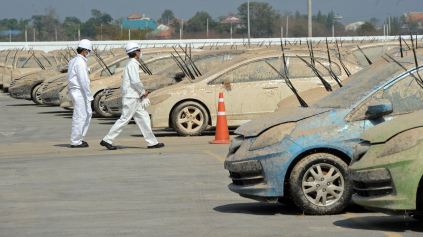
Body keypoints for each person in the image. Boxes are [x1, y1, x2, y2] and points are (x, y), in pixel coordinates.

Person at [100, 42, 164, 150]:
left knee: (144, 118)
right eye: (139, 50)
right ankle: (107, 140)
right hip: (131, 97)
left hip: (134, 97)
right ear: (136, 52)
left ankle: (152, 142)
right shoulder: (132, 64)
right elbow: (135, 82)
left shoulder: (130, 64)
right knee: (124, 119)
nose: (140, 53)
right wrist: (143, 92)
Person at [68, 39, 93, 148]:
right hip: (79, 92)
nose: (89, 53)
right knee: (80, 116)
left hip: (75, 91)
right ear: (84, 51)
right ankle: (76, 141)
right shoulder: (80, 62)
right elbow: (83, 81)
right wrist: (89, 95)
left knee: (86, 114)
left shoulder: (73, 61)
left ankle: (79, 138)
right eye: (88, 51)